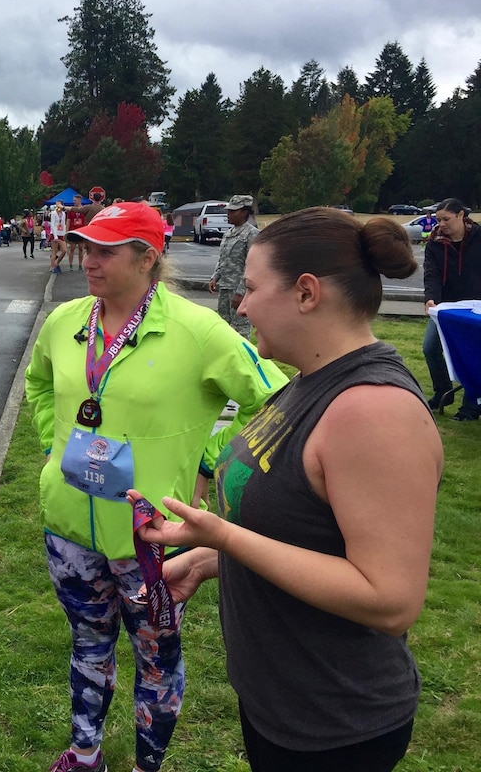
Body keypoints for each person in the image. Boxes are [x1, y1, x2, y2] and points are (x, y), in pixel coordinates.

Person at [137, 206, 443, 772]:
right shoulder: (308, 380)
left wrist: (225, 539)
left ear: (306, 293)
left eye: (252, 288)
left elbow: (390, 599)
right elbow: (303, 530)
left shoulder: (374, 412)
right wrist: (209, 559)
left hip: (334, 726)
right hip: (281, 705)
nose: (241, 303)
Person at [24, 201, 287, 772]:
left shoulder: (198, 330)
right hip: (70, 525)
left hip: (154, 538)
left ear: (148, 258)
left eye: (105, 250)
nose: (88, 259)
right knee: (88, 643)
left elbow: (277, 399)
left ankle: (147, 764)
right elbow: (39, 383)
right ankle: (85, 751)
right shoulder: (66, 321)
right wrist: (54, 445)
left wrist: (211, 461)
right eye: (85, 246)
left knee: (156, 656)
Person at [422, 197, 481, 420]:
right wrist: (431, 299)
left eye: (446, 219)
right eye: (438, 220)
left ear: (460, 216)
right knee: (430, 348)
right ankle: (442, 392)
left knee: (474, 353)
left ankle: (472, 405)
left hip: (476, 308)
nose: (441, 224)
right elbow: (431, 274)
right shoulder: (435, 243)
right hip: (446, 308)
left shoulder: (479, 237)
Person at [208, 194, 260, 337]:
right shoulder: (228, 234)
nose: (228, 214)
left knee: (240, 329)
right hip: (225, 287)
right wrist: (215, 277)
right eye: (228, 211)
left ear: (244, 213)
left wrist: (241, 292)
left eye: (232, 211)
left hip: (239, 289)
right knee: (223, 327)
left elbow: (252, 265)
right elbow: (223, 258)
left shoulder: (252, 234)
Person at [50, 202, 68, 273]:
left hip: (61, 233)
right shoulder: (54, 213)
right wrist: (55, 236)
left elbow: (64, 224)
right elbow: (52, 224)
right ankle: (52, 267)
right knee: (54, 251)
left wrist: (65, 234)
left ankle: (57, 263)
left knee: (64, 250)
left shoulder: (63, 214)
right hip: (55, 233)